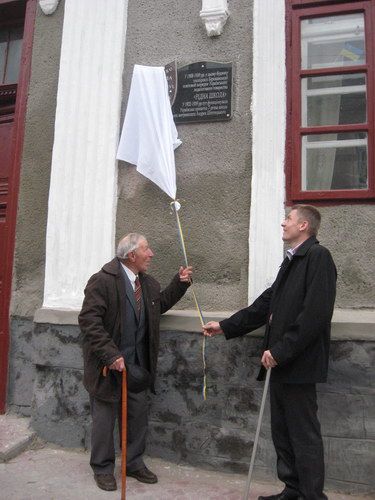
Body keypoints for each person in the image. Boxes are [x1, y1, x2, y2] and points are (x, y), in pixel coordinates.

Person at [203, 205, 336, 500]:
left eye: (288, 219)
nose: (283, 223)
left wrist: (281, 350)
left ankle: (312, 496)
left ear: (303, 226)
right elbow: (266, 305)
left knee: (303, 434)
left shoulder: (317, 257)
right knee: (283, 431)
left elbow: (314, 315)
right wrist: (226, 326)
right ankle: (293, 489)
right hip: (279, 363)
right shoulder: (291, 261)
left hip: (297, 364)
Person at [79, 233, 192, 492]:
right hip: (107, 367)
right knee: (104, 421)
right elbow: (89, 321)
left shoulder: (148, 284)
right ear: (132, 255)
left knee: (137, 417)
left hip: (137, 367)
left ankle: (133, 463)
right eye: (146, 249)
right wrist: (111, 354)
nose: (151, 254)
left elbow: (157, 306)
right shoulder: (103, 281)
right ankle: (103, 468)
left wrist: (180, 284)